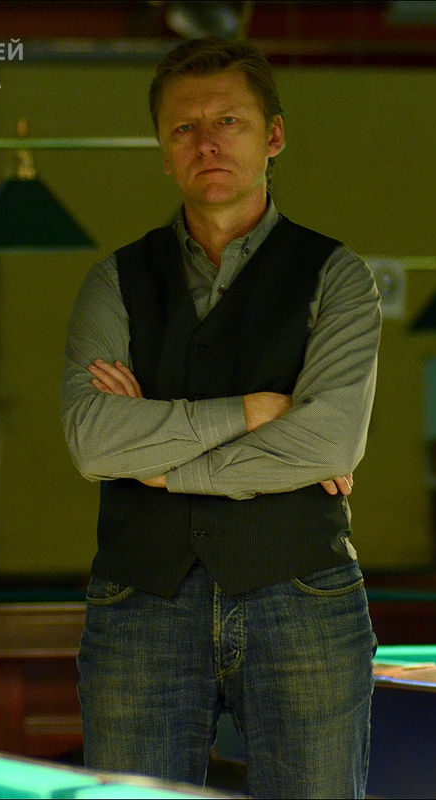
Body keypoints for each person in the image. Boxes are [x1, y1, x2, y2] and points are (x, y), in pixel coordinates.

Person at [59, 37, 381, 799]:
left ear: (274, 136)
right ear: (163, 152)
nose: (206, 142)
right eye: (184, 128)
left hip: (303, 594)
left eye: (228, 121)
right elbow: (92, 442)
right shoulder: (114, 280)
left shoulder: (336, 275)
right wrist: (254, 411)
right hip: (139, 599)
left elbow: (328, 441)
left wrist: (164, 466)